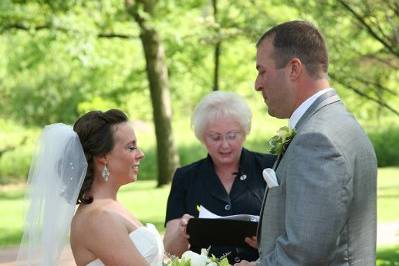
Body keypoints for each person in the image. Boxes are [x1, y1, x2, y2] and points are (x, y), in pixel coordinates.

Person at [235, 20, 377, 265]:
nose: (257, 84)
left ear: (293, 69)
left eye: (262, 70)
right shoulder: (339, 123)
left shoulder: (317, 140)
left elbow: (304, 254)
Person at [16, 109, 164, 266]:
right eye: (131, 147)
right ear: (103, 157)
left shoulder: (109, 207)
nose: (140, 154)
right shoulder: (98, 219)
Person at [163, 91, 276, 264]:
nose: (224, 145)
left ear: (245, 132)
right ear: (202, 137)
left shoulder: (269, 167)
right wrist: (182, 231)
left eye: (232, 135)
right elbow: (171, 251)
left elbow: (293, 237)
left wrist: (265, 243)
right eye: (215, 137)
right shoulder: (185, 177)